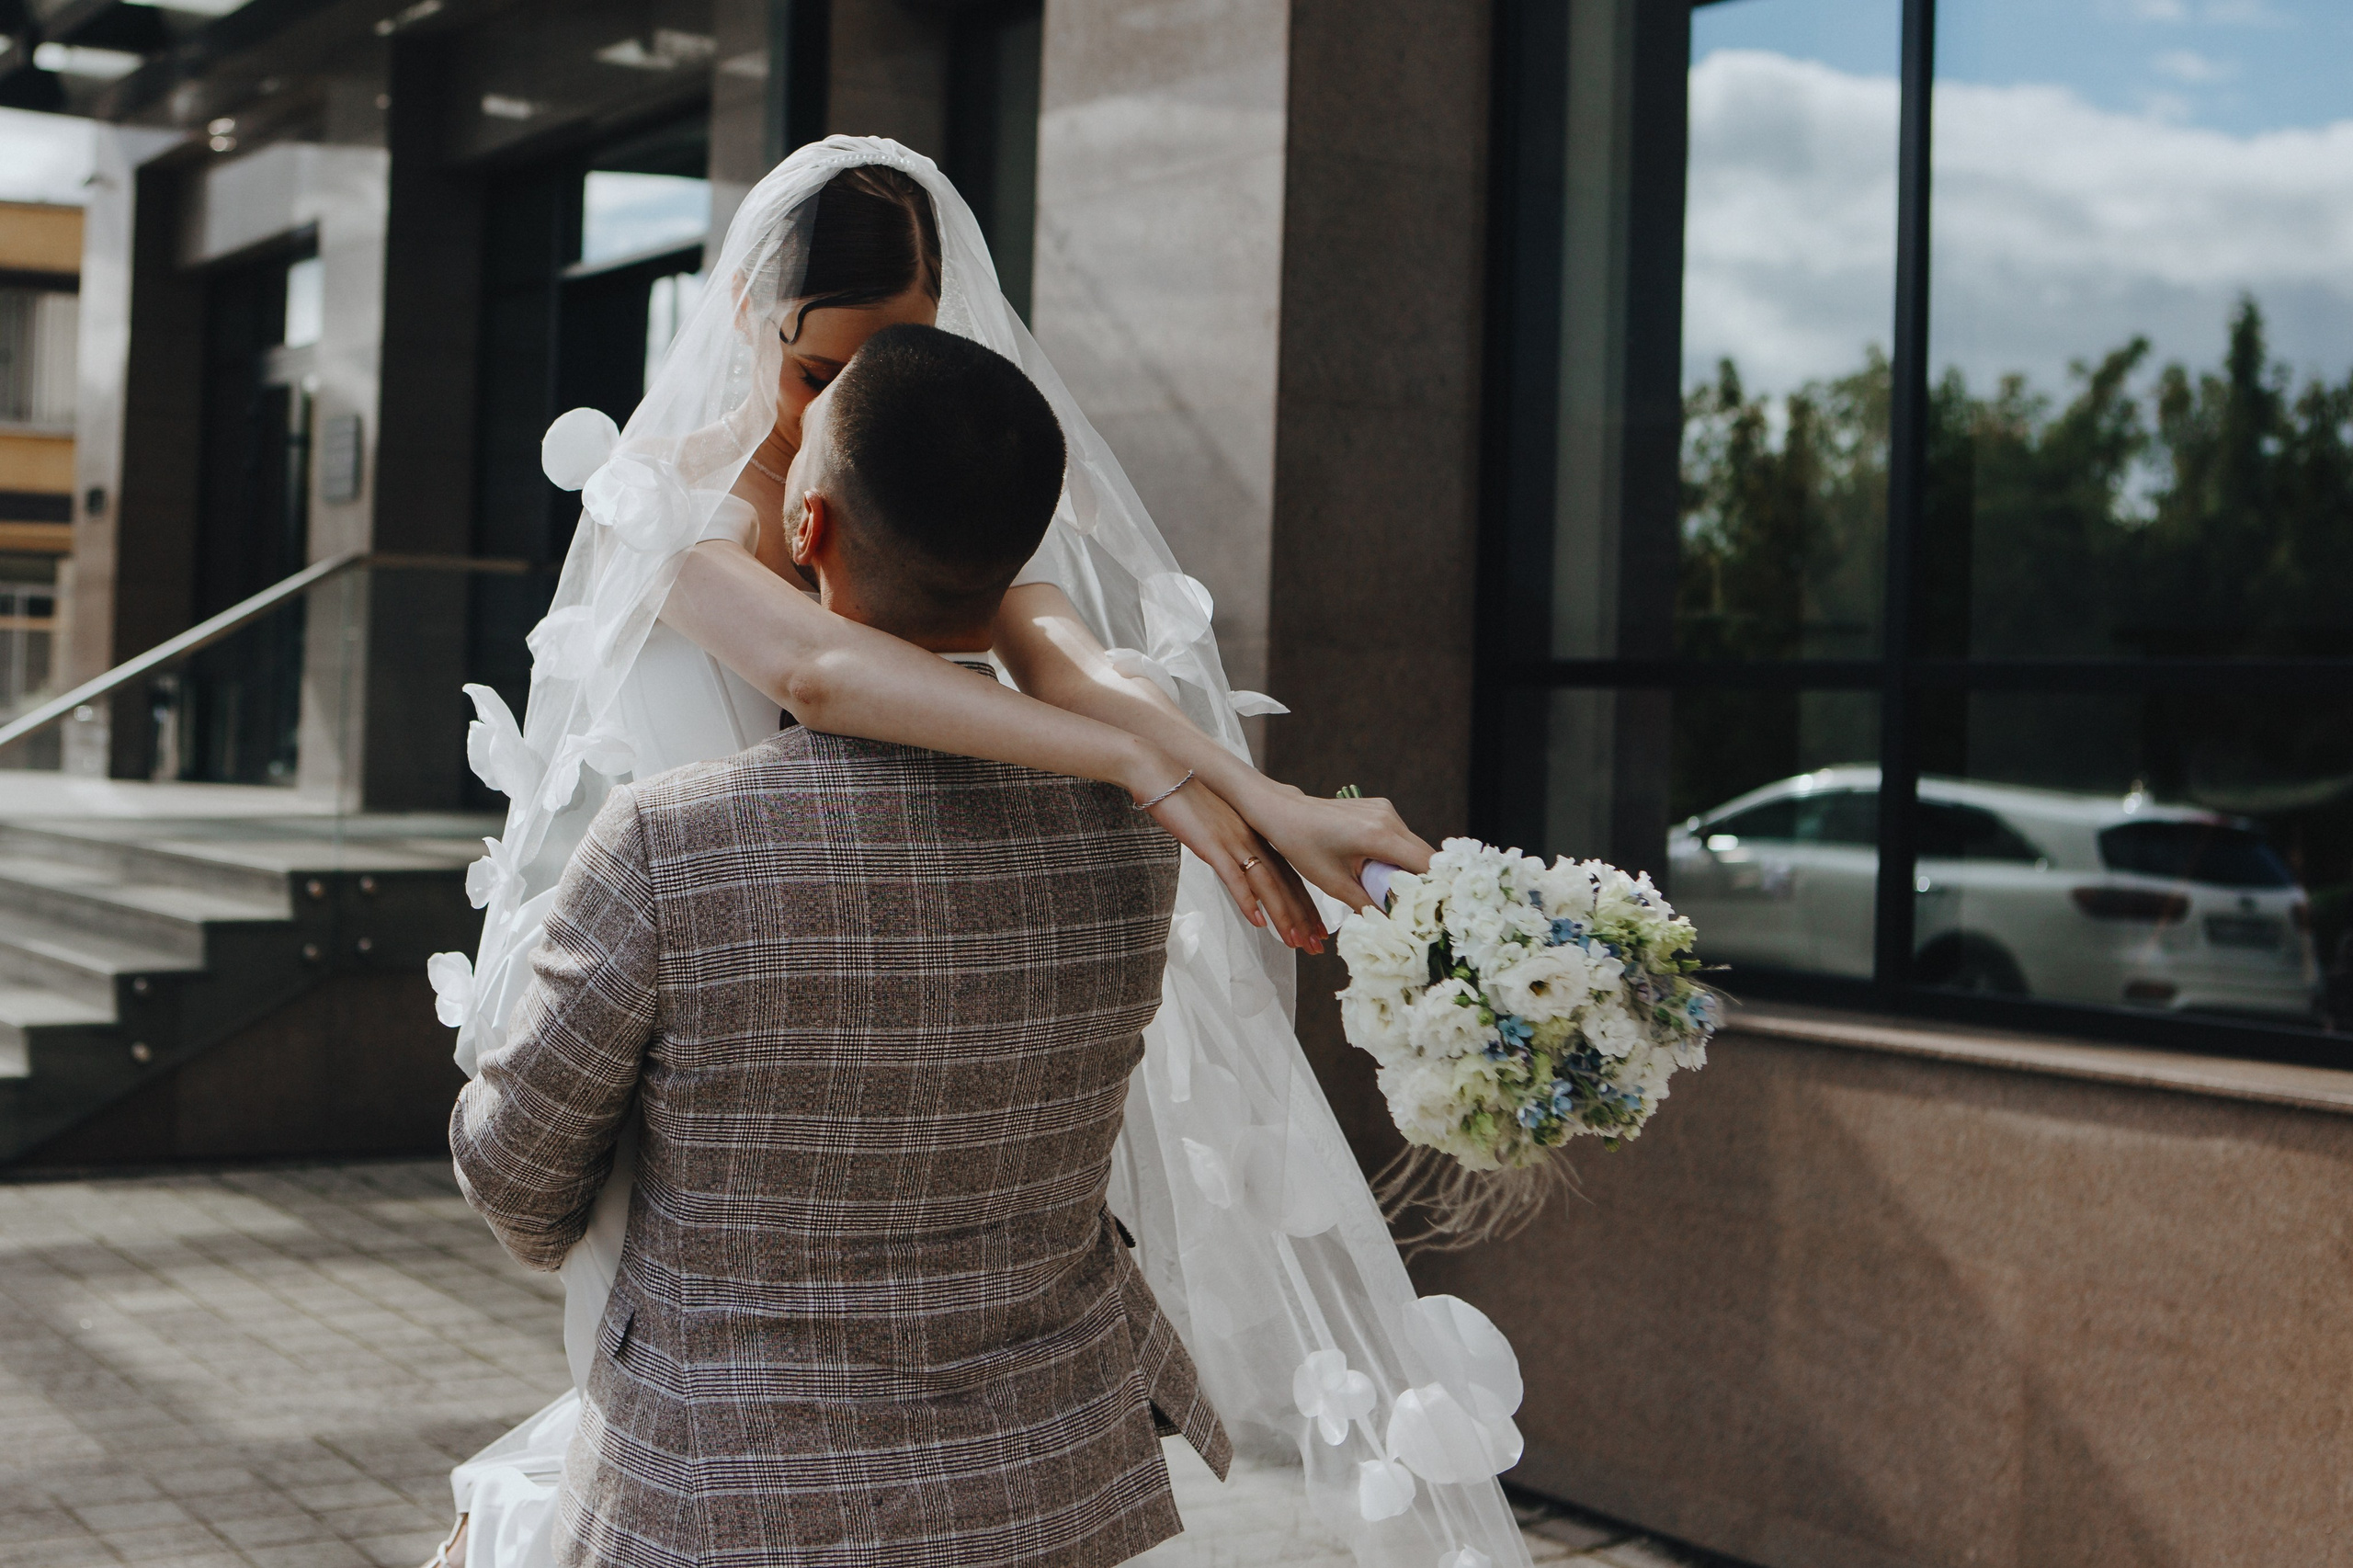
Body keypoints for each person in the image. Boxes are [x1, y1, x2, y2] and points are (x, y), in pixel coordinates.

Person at [432, 138, 1533, 1568]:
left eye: (900, 354)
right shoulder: (669, 499)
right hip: (706, 1032)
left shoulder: (924, 460)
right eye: (822, 368)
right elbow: (821, 667)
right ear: (750, 318)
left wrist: (1269, 800)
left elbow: (1070, 661)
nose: (856, 400)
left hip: (878, 1024)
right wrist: (1145, 767)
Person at [452, 324, 1230, 1567]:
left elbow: (516, 1175)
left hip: (725, 1502)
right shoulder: (1131, 830)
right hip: (1043, 1495)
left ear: (803, 528)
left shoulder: (671, 839)